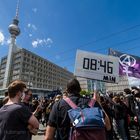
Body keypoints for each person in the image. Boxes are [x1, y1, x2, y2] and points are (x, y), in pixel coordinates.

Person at [45, 79, 111, 140]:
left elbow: (48, 137)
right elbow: (108, 126)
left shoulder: (58, 105)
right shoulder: (93, 103)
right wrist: (99, 103)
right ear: (80, 89)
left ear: (67, 90)